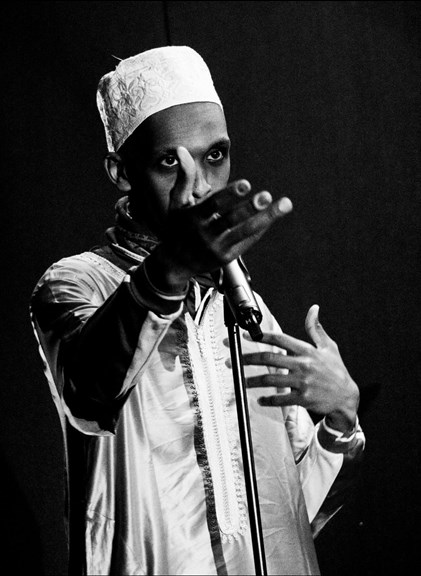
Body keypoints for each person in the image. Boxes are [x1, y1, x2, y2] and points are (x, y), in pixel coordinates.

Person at [30, 46, 365, 575]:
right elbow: (88, 393)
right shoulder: (75, 283)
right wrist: (171, 268)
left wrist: (341, 419)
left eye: (215, 157)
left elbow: (292, 514)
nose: (200, 187)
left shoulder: (246, 311)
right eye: (170, 161)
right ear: (120, 170)